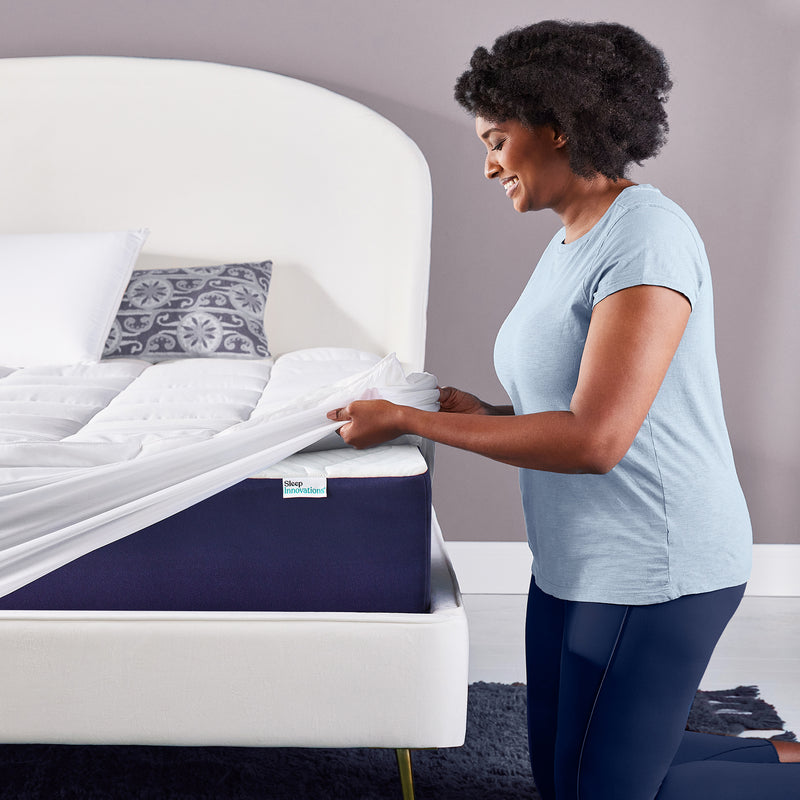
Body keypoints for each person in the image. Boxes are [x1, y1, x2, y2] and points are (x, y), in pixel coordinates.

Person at [327, 20, 800, 800]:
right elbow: (575, 402)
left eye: (497, 139)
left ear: (558, 128)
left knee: (597, 793)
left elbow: (596, 439)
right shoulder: (574, 239)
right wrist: (488, 409)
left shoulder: (645, 237)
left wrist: (413, 421)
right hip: (575, 559)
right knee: (568, 780)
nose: (487, 165)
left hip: (655, 564)